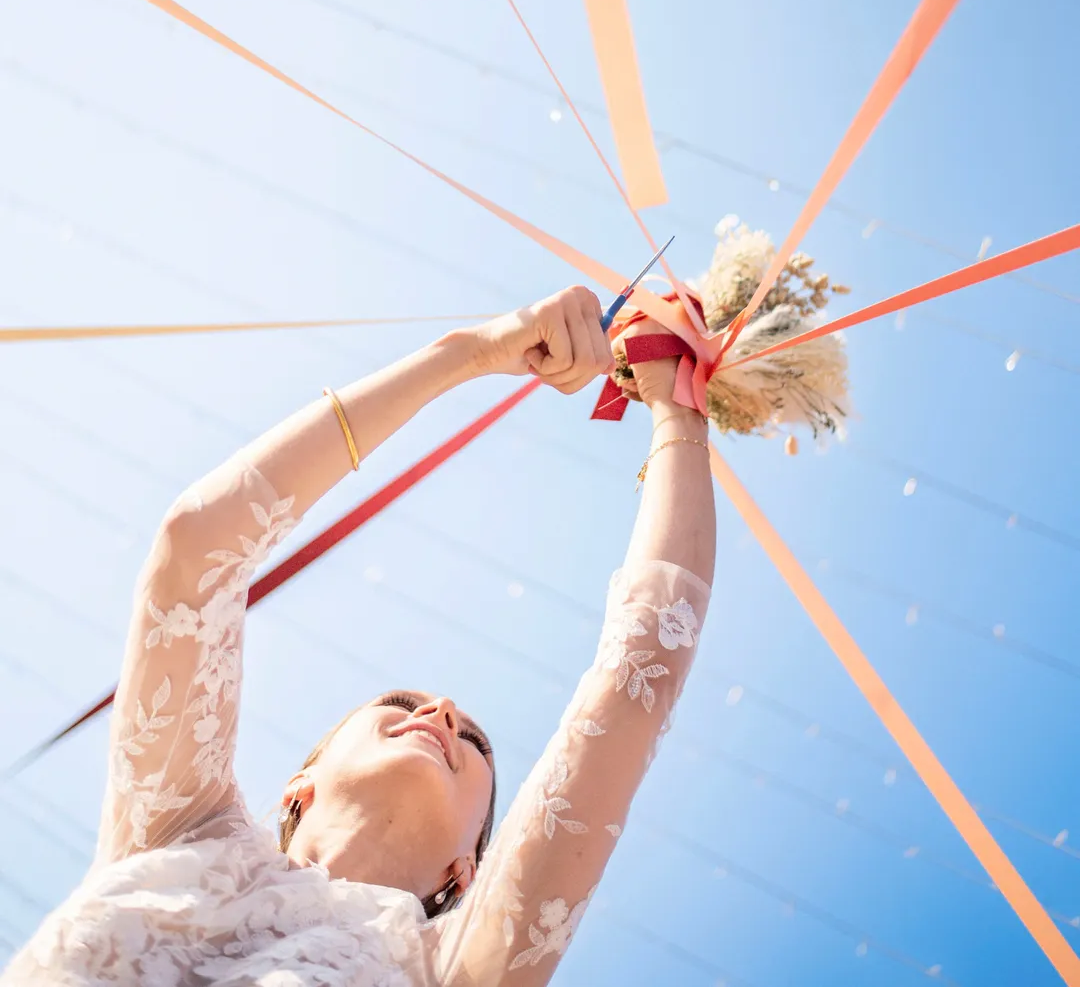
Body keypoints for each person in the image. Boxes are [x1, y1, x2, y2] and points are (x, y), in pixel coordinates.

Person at [5, 285, 715, 985]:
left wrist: (678, 407)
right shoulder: (176, 828)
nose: (439, 714)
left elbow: (634, 685)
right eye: (401, 704)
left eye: (473, 742)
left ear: (468, 870)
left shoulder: (451, 970)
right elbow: (195, 550)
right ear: (299, 786)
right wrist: (469, 354)